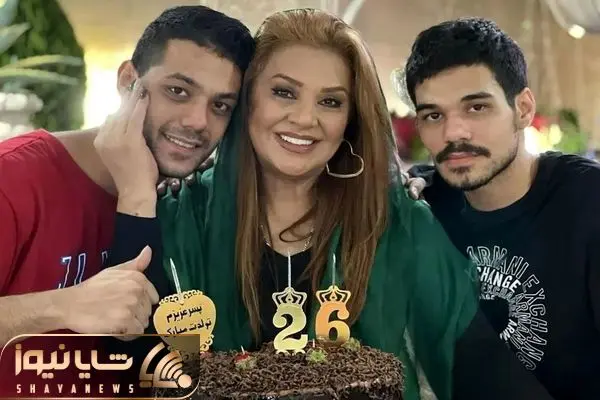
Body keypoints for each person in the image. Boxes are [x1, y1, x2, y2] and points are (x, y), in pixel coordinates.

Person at [103, 8, 553, 400]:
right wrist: (138, 196)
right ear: (247, 101)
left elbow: (491, 374)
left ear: (350, 121)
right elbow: (125, 374)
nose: (305, 118)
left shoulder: (398, 225)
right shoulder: (177, 218)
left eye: (331, 101)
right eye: (284, 92)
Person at [0, 5, 254, 397]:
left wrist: (138, 195)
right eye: (178, 91)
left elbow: (162, 366)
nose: (198, 121)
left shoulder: (182, 206)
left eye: (220, 105)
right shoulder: (15, 177)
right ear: (127, 81)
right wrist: (64, 306)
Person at [400, 17, 600, 399]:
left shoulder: (587, 202)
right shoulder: (425, 206)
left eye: (476, 107)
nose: (453, 133)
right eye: (433, 115)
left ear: (523, 108)